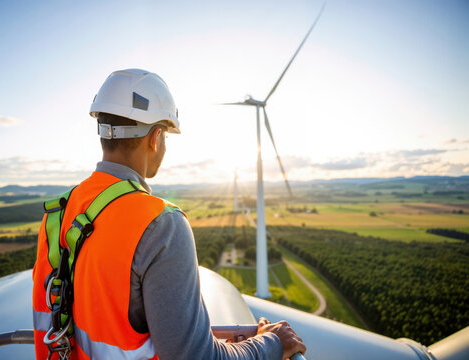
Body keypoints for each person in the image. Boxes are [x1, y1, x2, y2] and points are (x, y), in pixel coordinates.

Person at [32, 68, 306, 360]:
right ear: (155, 138)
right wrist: (272, 343)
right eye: (165, 137)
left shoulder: (60, 213)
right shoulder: (161, 225)